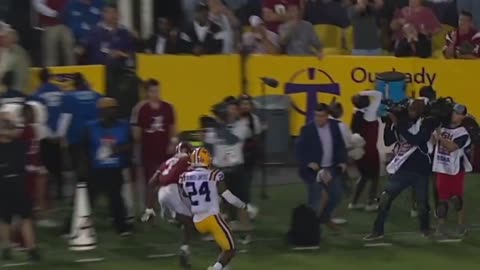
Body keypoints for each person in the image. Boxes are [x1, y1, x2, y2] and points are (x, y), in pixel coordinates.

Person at [364, 99, 435, 241]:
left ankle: (425, 228)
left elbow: (415, 140)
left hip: (421, 170)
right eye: (410, 110)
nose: (411, 112)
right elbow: (388, 141)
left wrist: (398, 124)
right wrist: (390, 123)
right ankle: (378, 230)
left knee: (422, 204)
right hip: (403, 169)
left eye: (414, 110)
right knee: (385, 198)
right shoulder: (404, 122)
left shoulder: (427, 123)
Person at [179, 147, 257, 270]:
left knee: (222, 239)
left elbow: (184, 196)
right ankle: (215, 268)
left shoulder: (184, 176)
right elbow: (229, 198)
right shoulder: (214, 174)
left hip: (198, 220)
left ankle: (224, 267)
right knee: (230, 249)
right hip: (212, 218)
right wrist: (245, 206)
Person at [142, 142, 194, 269]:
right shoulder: (188, 160)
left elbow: (151, 183)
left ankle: (174, 218)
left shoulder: (168, 162)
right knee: (190, 222)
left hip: (162, 193)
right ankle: (184, 249)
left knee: (183, 217)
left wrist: (149, 208)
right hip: (173, 191)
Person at [84, 97, 131, 235]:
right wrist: (85, 166)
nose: (111, 112)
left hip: (114, 169)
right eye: (107, 109)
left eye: (113, 109)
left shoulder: (123, 126)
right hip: (96, 169)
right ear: (101, 111)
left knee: (116, 198)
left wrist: (117, 149)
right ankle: (72, 226)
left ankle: (121, 227)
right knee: (88, 199)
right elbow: (84, 147)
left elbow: (130, 144)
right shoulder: (91, 127)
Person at [295, 103, 347, 229]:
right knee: (315, 199)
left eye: (322, 116)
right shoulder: (307, 129)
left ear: (327, 116)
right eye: (317, 116)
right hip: (314, 171)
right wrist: (308, 162)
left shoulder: (335, 127)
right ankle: (310, 228)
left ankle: (325, 217)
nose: (319, 119)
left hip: (331, 168)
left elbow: (340, 146)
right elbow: (299, 150)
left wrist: (342, 161)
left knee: (336, 195)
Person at [0, 113, 39, 262]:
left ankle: (31, 250)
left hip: (17, 183)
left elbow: (16, 130)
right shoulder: (18, 143)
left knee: (25, 218)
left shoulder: (19, 142)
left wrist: (5, 122)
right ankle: (7, 248)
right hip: (4, 183)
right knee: (5, 219)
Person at [131, 79, 176, 208]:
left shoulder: (168, 107)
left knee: (167, 179)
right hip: (148, 151)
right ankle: (150, 207)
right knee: (150, 181)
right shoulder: (141, 109)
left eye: (157, 91)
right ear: (147, 92)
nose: (155, 94)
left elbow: (172, 127)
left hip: (165, 150)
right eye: (152, 91)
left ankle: (168, 206)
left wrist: (172, 143)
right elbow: (137, 132)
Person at [433, 104, 472, 239]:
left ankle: (461, 225)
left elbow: (451, 147)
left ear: (462, 116)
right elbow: (433, 143)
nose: (454, 115)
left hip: (455, 170)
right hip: (442, 168)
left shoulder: (463, 133)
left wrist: (439, 135)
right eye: (454, 112)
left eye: (458, 113)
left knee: (457, 200)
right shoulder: (442, 127)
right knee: (442, 200)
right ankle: (440, 227)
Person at [30, 68, 65, 201]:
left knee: (46, 166)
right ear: (50, 77)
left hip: (46, 134)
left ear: (40, 78)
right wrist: (61, 132)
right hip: (59, 132)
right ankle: (60, 194)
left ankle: (48, 196)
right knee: (58, 166)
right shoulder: (59, 91)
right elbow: (64, 110)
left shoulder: (37, 94)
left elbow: (38, 117)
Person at [349, 90, 382, 211]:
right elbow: (378, 94)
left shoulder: (356, 113)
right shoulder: (370, 113)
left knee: (363, 176)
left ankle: (354, 202)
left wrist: (360, 95)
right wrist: (364, 92)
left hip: (360, 152)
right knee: (374, 178)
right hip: (370, 152)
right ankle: (370, 203)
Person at [33, 0, 76, 66]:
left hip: (65, 24)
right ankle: (51, 72)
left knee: (69, 48)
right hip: (50, 24)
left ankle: (72, 71)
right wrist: (53, 13)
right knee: (50, 51)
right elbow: (38, 5)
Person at [238, 94, 262, 205]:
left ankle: (246, 204)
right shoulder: (235, 119)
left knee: (247, 181)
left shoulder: (254, 120)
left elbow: (256, 136)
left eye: (247, 104)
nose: (245, 106)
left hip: (248, 156)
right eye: (243, 104)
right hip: (235, 155)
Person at [0, 28, 30, 92]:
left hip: (12, 90)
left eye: (4, 37)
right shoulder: (3, 50)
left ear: (11, 40)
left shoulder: (19, 53)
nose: (2, 39)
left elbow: (21, 77)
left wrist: (15, 93)